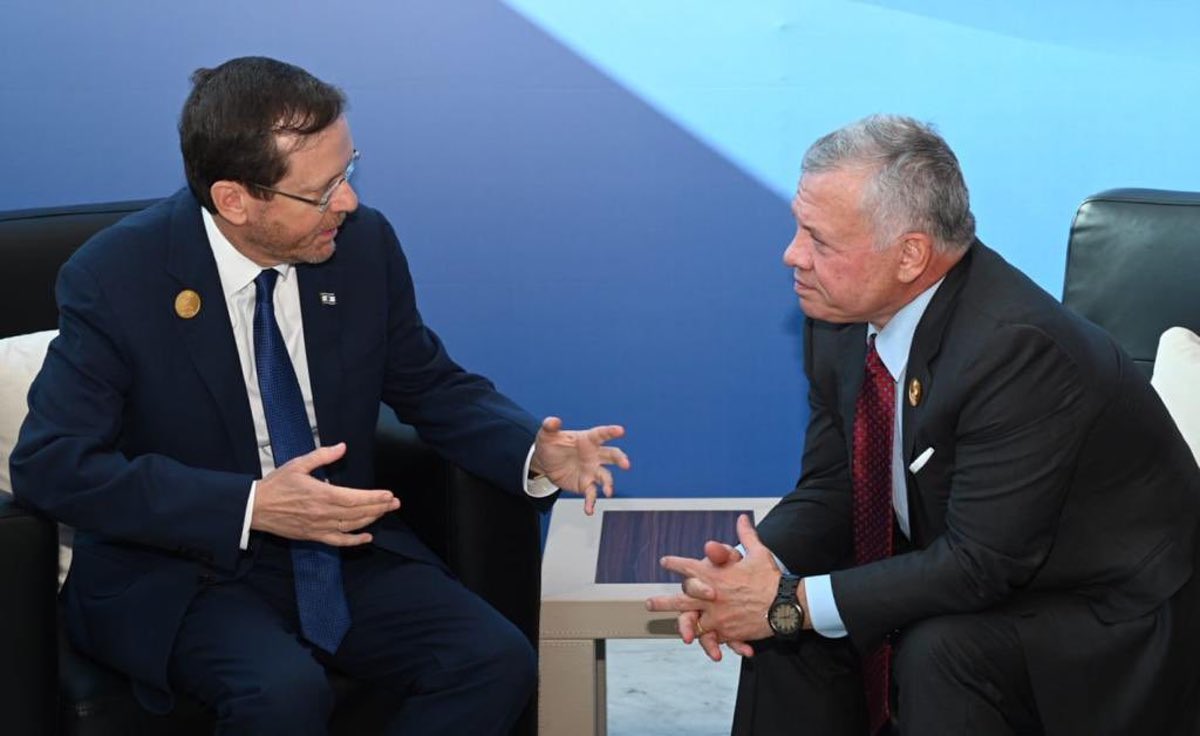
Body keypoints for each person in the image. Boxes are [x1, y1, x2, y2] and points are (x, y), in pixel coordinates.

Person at [11, 56, 630, 736]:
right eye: (323, 189)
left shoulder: (362, 246)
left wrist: (533, 451)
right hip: (181, 568)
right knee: (283, 695)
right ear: (235, 199)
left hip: (337, 551)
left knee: (492, 659)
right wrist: (251, 505)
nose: (349, 202)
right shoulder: (116, 277)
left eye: (349, 170)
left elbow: (425, 380)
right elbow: (51, 466)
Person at [648, 114, 1200, 735]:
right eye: (798, 228)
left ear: (910, 254)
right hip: (979, 567)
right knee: (794, 634)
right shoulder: (836, 313)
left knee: (936, 649)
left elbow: (980, 565)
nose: (792, 256)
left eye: (819, 239)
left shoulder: (1017, 351)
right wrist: (754, 575)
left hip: (1101, 613)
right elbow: (834, 488)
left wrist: (788, 604)